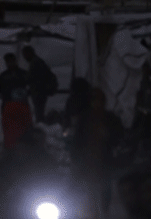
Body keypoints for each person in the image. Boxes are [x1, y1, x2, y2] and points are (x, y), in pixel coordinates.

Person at [70, 88, 123, 217]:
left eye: (99, 100)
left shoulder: (110, 119)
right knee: (89, 192)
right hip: (87, 160)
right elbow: (77, 140)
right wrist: (76, 158)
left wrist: (108, 137)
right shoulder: (84, 119)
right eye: (94, 100)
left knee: (105, 188)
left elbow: (118, 137)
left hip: (104, 160)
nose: (97, 103)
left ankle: (103, 211)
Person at [0, 53, 32, 149]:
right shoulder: (4, 76)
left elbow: (29, 87)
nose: (9, 63)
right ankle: (9, 147)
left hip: (19, 104)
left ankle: (21, 146)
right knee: (9, 128)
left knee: (22, 127)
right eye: (8, 62)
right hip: (9, 104)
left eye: (11, 61)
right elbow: (0, 89)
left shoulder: (22, 74)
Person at [22, 45, 57, 124]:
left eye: (25, 54)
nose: (24, 57)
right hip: (40, 92)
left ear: (29, 53)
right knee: (39, 112)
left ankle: (40, 127)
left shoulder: (35, 62)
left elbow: (31, 77)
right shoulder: (37, 61)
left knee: (39, 113)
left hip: (39, 92)